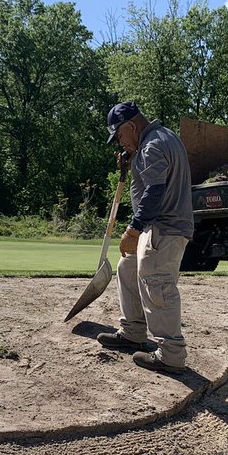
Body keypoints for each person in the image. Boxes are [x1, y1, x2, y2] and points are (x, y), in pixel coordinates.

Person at [96, 102, 194, 374]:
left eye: (119, 135)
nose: (119, 141)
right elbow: (152, 175)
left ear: (131, 125)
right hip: (160, 226)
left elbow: (154, 191)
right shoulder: (161, 138)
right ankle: (133, 332)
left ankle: (172, 354)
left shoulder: (152, 145)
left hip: (164, 228)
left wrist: (134, 228)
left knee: (157, 283)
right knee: (127, 267)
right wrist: (131, 161)